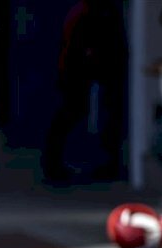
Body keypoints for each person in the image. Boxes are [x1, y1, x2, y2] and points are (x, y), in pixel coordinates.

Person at [42, 0, 127, 184]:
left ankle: (61, 164)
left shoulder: (88, 12)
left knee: (78, 113)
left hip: (83, 70)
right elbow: (78, 47)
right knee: (71, 114)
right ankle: (55, 165)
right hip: (78, 71)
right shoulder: (85, 13)